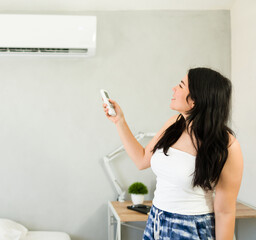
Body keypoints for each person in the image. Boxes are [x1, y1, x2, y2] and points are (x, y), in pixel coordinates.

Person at [102, 67, 243, 240]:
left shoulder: (227, 145)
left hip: (191, 228)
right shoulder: (174, 124)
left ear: (195, 101)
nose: (174, 89)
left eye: (181, 86)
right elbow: (141, 160)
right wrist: (120, 121)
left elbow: (225, 212)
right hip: (156, 221)